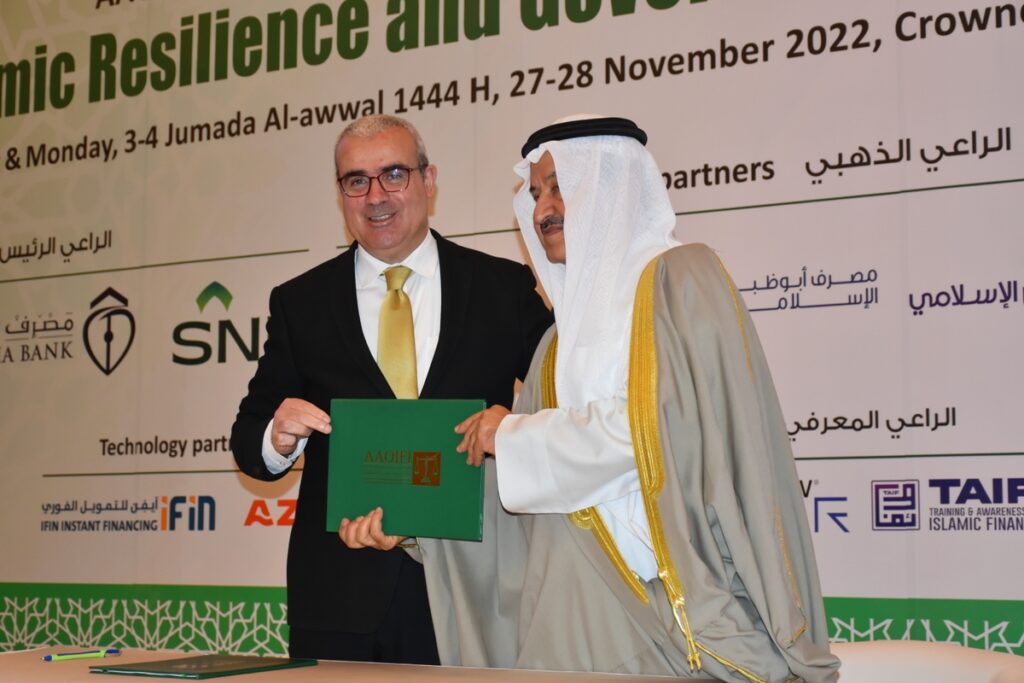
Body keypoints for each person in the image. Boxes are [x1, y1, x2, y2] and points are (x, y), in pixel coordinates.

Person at [419, 116, 842, 682]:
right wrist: (418, 521)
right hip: (572, 619)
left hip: (677, 615)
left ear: (610, 189)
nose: (544, 211)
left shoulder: (682, 280)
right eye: (536, 194)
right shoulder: (554, 345)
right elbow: (522, 492)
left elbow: (661, 434)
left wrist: (513, 434)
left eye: (561, 188)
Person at [230, 114, 552, 664]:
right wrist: (276, 438)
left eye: (394, 174)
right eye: (357, 180)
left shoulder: (502, 287)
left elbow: (565, 401)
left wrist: (515, 427)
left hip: (472, 590)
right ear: (341, 193)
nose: (376, 196)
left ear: (429, 180)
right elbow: (249, 442)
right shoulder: (300, 303)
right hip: (340, 597)